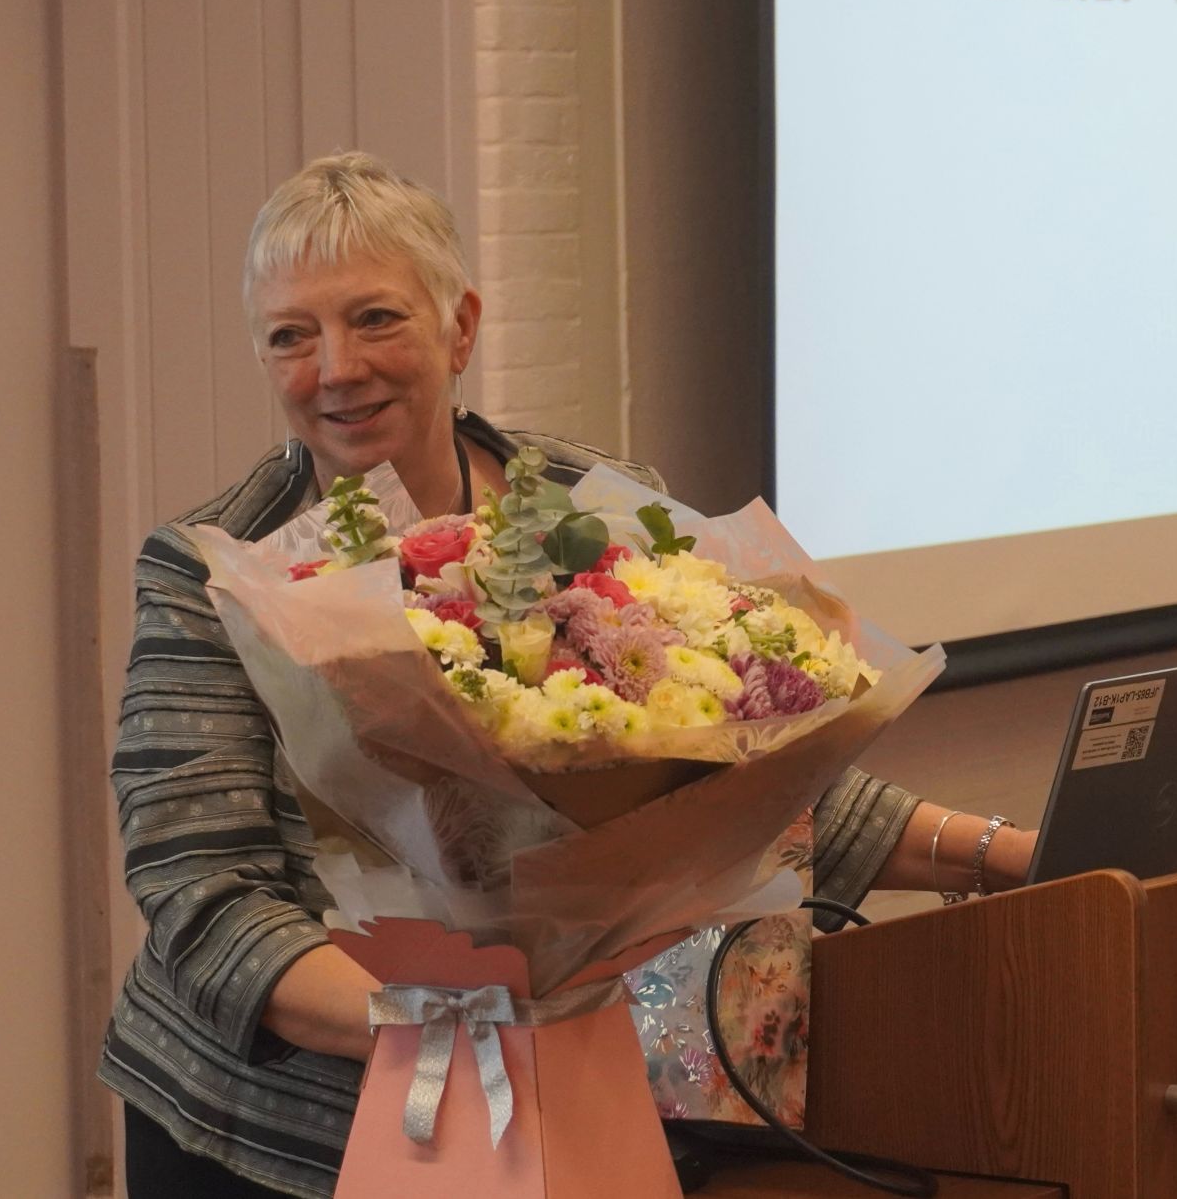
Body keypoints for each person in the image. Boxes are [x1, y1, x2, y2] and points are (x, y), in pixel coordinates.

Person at [96, 152, 1036, 1198]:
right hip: (278, 1139)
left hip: (560, 1095)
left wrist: (1011, 855)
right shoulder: (215, 570)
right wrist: (440, 1026)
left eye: (374, 320)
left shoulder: (594, 504)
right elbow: (200, 892)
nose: (334, 368)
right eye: (290, 336)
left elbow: (735, 779)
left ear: (460, 328)